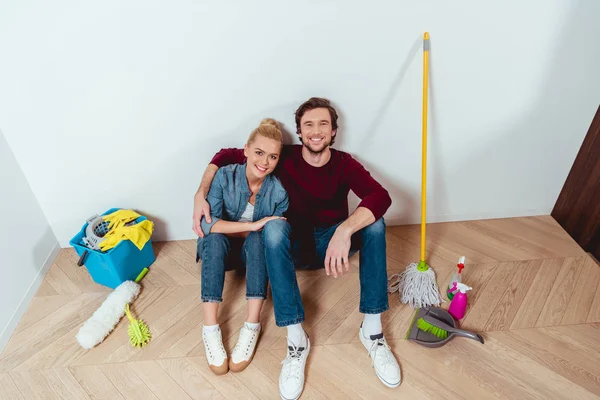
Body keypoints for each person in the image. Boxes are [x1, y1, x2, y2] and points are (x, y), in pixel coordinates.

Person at [193, 98, 401, 398]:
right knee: (274, 226)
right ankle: (296, 341)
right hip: (291, 246)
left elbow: (380, 196)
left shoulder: (345, 163)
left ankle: (373, 332)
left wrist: (344, 230)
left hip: (332, 245)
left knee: (376, 223)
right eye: (309, 125)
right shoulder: (281, 156)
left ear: (333, 132)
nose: (316, 131)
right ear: (300, 132)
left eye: (323, 124)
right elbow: (225, 155)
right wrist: (200, 192)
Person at [196, 118, 288, 375]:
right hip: (219, 253)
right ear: (246, 149)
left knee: (259, 239)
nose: (265, 162)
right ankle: (210, 329)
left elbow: (273, 233)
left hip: (253, 256)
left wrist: (257, 230)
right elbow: (209, 225)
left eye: (272, 157)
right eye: (259, 153)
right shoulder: (224, 176)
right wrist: (254, 224)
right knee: (214, 239)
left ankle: (251, 326)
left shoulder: (278, 192)